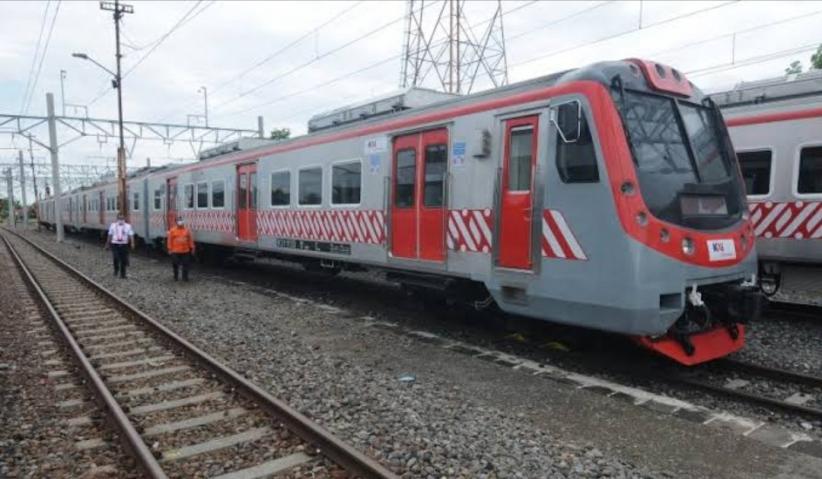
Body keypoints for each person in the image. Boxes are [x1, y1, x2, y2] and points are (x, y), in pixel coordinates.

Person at [105, 214, 135, 279]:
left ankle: (123, 275)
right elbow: (110, 235)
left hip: (124, 244)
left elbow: (131, 235)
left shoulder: (128, 226)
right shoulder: (113, 226)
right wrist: (107, 244)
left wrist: (132, 243)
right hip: (115, 244)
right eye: (120, 218)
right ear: (117, 219)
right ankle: (116, 270)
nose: (121, 220)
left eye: (122, 219)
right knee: (116, 257)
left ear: (124, 219)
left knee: (123, 260)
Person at [167, 216, 195, 281]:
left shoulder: (187, 230)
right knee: (175, 264)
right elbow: (169, 240)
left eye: (181, 220)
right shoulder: (172, 230)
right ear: (176, 222)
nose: (180, 222)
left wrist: (192, 247)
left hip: (185, 251)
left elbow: (190, 240)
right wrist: (169, 249)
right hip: (175, 251)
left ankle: (185, 277)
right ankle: (175, 276)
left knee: (186, 264)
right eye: (179, 221)